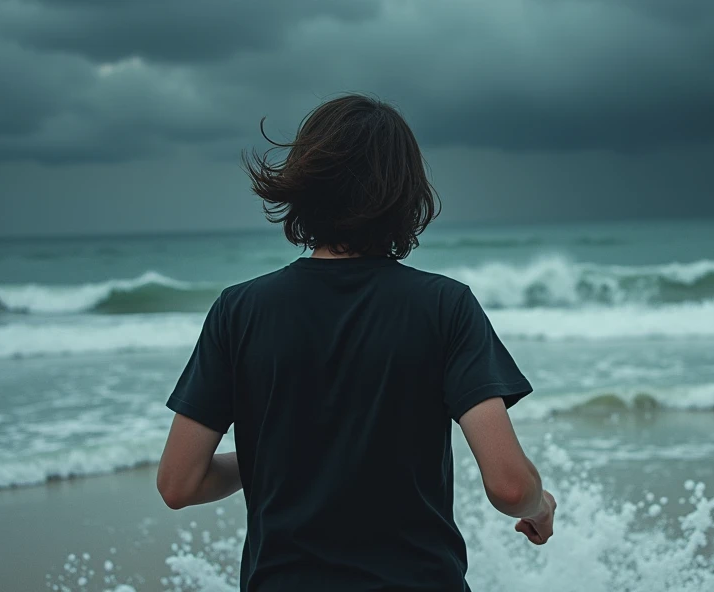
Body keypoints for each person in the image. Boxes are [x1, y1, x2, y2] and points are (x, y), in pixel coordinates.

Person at [156, 94, 556, 591]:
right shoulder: (444, 306)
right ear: (406, 193)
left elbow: (179, 483)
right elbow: (510, 485)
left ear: (304, 185)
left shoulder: (239, 311)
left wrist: (277, 452)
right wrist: (539, 507)